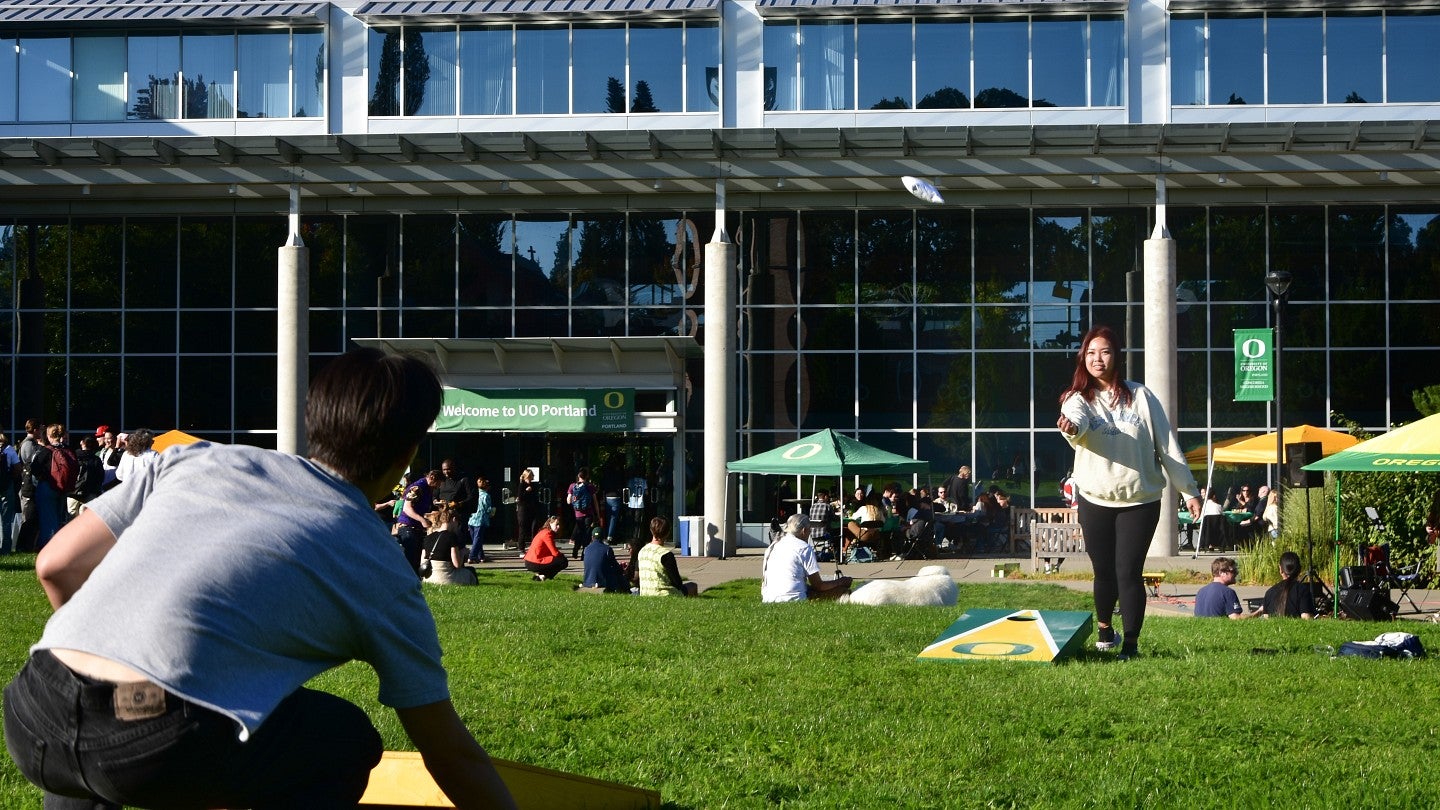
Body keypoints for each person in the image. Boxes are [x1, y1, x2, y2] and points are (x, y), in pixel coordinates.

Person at [3, 347, 515, 810]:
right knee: (347, 742)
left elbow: (56, 565)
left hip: (32, 710)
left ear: (316, 420)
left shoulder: (193, 460)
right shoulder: (378, 564)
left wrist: (103, 671)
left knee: (90, 744)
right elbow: (448, 753)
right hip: (151, 741)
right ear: (407, 455)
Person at [1057, 324, 1202, 660]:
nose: (1098, 358)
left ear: (1116, 356)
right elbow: (1074, 424)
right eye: (1091, 353)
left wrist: (1189, 491)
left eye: (1104, 351)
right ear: (1083, 358)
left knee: (1128, 571)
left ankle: (1131, 645)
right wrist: (1071, 428)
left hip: (1141, 500)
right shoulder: (1078, 400)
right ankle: (1105, 628)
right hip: (1096, 499)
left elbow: (1166, 446)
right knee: (1103, 570)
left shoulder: (1141, 396)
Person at [761, 513, 852, 602]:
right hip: (793, 598)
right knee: (842, 591)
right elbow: (818, 585)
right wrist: (841, 582)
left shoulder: (773, 546)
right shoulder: (803, 547)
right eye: (809, 530)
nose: (810, 534)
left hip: (768, 597)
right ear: (804, 531)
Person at [637, 517, 698, 597]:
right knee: (693, 586)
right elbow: (677, 582)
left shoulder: (643, 551)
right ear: (668, 533)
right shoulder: (666, 554)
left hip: (646, 593)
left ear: (651, 530)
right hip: (664, 594)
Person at [396, 469, 438, 576]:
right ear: (432, 477)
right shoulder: (418, 488)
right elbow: (407, 508)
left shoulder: (428, 489)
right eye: (437, 484)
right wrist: (422, 520)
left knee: (416, 561)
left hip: (417, 529)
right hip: (408, 527)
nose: (437, 487)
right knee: (410, 560)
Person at [423, 506, 478, 587]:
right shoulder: (451, 536)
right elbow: (457, 565)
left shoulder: (428, 537)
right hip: (446, 578)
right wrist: (463, 552)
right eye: (457, 524)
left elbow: (422, 561)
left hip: (429, 577)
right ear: (454, 520)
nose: (457, 527)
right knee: (470, 571)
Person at [1259, 550, 1315, 619]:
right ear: (1299, 569)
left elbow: (1266, 618)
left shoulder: (1269, 592)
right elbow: (1306, 617)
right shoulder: (1303, 590)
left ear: (1280, 569)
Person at [433, 459, 477, 530]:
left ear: (454, 468)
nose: (446, 472)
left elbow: (471, 497)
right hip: (443, 514)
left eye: (448, 469)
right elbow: (435, 495)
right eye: (444, 470)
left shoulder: (463, 480)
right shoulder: (442, 480)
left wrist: (458, 504)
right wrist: (435, 501)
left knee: (457, 537)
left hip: (458, 515)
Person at [580, 528, 629, 593]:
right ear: (603, 538)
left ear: (592, 537)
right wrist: (622, 568)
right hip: (603, 581)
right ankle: (627, 590)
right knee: (618, 574)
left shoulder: (586, 549)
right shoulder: (607, 549)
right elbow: (615, 566)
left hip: (587, 581)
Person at [524, 514, 569, 581]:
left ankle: (540, 575)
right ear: (550, 523)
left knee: (558, 560)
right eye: (556, 524)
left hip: (530, 560)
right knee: (563, 561)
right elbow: (555, 552)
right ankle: (544, 576)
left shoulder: (544, 531)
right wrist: (562, 555)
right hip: (534, 562)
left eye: (559, 525)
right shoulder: (548, 534)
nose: (558, 527)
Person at [566, 467, 598, 558]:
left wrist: (574, 501)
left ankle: (575, 549)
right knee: (587, 534)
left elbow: (568, 501)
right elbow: (595, 501)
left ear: (578, 476)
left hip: (578, 514)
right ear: (587, 476)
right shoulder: (590, 486)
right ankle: (584, 553)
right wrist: (597, 514)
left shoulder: (572, 486)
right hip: (588, 513)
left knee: (579, 532)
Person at [465, 475, 493, 564]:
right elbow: (487, 508)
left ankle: (481, 556)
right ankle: (472, 556)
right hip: (480, 519)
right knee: (478, 539)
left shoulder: (472, 494)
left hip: (471, 519)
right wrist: (492, 511)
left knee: (475, 539)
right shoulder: (486, 496)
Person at [513, 467, 541, 548]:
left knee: (534, 526)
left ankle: (534, 545)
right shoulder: (522, 485)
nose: (533, 477)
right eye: (531, 475)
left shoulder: (533, 485)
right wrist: (526, 491)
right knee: (523, 529)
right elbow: (520, 497)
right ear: (527, 476)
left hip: (532, 509)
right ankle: (521, 547)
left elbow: (536, 497)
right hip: (523, 510)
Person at [807, 490, 838, 560]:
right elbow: (834, 519)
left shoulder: (812, 506)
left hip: (812, 534)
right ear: (825, 496)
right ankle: (836, 553)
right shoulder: (827, 506)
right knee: (839, 532)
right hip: (824, 534)